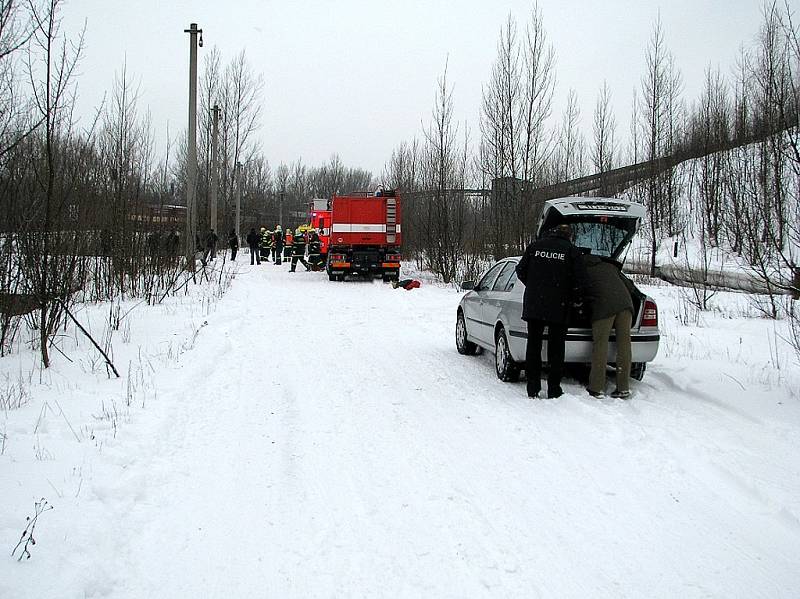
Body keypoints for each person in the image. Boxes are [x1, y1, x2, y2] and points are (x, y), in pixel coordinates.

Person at [515, 223, 586, 399]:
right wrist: (574, 297)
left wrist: (534, 286)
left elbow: (520, 270)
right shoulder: (571, 251)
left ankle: (533, 387)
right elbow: (581, 280)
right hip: (559, 305)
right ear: (569, 235)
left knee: (534, 346)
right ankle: (554, 388)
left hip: (535, 305)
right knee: (556, 348)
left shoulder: (535, 247)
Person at [583, 255, 635, 399]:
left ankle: (596, 387)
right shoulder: (610, 266)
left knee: (601, 344)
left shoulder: (583, 269)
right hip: (626, 306)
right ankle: (623, 387)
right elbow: (630, 286)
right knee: (624, 345)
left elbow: (580, 290)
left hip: (604, 307)